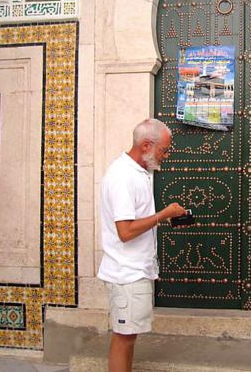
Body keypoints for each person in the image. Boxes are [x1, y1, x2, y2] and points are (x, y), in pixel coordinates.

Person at [97, 118, 187, 372]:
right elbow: (125, 231)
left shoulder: (139, 172)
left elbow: (135, 222)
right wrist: (163, 214)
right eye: (164, 150)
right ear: (147, 145)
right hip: (126, 273)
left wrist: (164, 219)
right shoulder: (123, 176)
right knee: (124, 337)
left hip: (135, 271)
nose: (166, 156)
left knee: (129, 335)